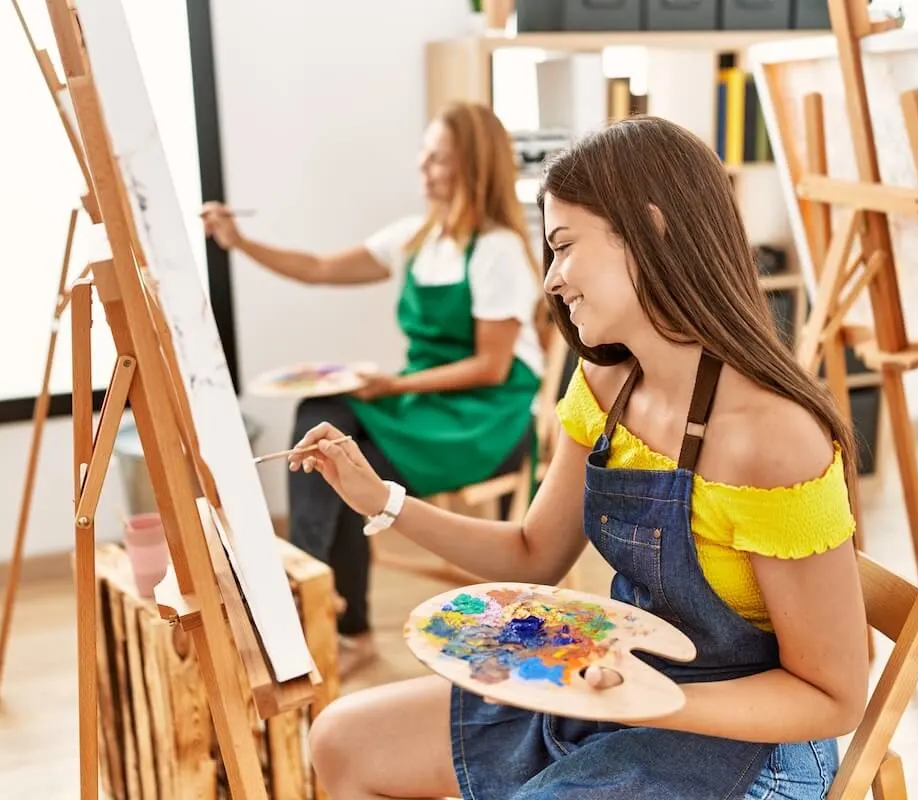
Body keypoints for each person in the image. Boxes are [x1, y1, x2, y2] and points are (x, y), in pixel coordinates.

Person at [284, 115, 870, 799]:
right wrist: (382, 499)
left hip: (746, 745)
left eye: (564, 248)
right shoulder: (604, 385)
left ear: (650, 231)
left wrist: (652, 702)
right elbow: (533, 552)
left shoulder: (772, 436)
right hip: (613, 685)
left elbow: (831, 697)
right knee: (342, 741)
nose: (553, 281)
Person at [202, 101, 547, 677]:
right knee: (324, 412)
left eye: (437, 158)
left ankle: (326, 608)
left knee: (346, 461)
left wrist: (393, 385)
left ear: (472, 166)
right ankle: (321, 595)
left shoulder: (496, 250)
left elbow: (491, 367)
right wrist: (239, 242)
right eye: (425, 153)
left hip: (486, 418)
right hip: (424, 404)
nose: (422, 166)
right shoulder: (416, 238)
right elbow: (317, 267)